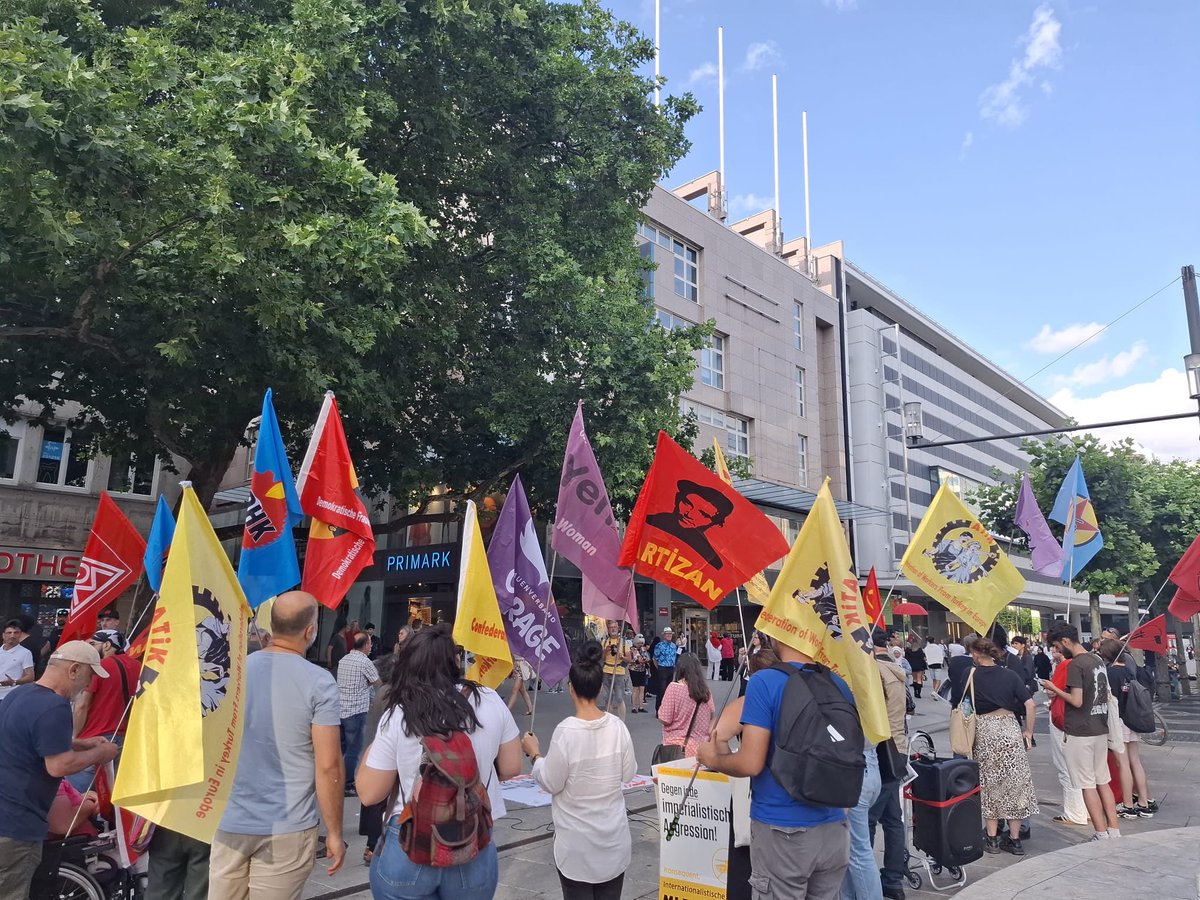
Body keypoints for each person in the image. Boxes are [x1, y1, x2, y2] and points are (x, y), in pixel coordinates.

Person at [357, 625, 521, 899]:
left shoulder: (400, 711)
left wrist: (376, 743)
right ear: (455, 661)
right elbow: (512, 767)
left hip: (409, 844)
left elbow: (369, 792)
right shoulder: (491, 700)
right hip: (473, 843)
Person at [210, 591, 346, 896]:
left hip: (229, 820)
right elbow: (328, 766)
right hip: (288, 827)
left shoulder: (235, 671)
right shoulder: (320, 681)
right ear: (310, 631)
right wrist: (334, 832)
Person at [698, 638, 854, 898]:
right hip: (834, 828)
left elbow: (750, 762)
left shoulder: (765, 681)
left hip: (782, 829)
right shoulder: (837, 682)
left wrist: (712, 759)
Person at [0, 641, 119, 896]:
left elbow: (29, 738)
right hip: (17, 824)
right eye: (88, 676)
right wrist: (101, 753)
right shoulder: (55, 706)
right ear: (74, 670)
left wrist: (81, 743)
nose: (87, 685)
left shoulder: (21, 694)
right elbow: (58, 766)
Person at [521, 641, 636, 900]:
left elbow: (551, 782)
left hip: (577, 848)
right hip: (612, 843)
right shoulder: (617, 727)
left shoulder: (566, 731)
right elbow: (628, 774)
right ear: (599, 687)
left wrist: (535, 754)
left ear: (571, 689)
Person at [1041, 623, 1121, 842]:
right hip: (1099, 727)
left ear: (1065, 642)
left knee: (1087, 784)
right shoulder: (1096, 660)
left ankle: (1101, 832)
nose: (1057, 650)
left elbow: (1076, 700)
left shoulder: (1076, 664)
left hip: (1081, 731)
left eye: (1057, 645)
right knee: (1102, 781)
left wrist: (1055, 689)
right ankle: (1114, 829)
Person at [962, 637, 1038, 855]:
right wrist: (1028, 732)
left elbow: (964, 706)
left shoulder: (971, 676)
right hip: (1009, 728)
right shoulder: (1009, 674)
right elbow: (1030, 704)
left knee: (989, 783)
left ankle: (992, 838)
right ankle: (1015, 841)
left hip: (985, 730)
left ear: (976, 654)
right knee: (1014, 782)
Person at [67, 629, 140, 791]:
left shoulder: (100, 667)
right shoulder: (138, 666)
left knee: (75, 794)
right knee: (108, 792)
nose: (89, 649)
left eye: (93, 644)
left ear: (107, 645)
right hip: (124, 737)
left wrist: (74, 737)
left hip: (93, 737)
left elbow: (82, 705)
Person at [868, 629, 909, 900]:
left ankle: (868, 879)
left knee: (868, 820)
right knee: (893, 819)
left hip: (881, 748)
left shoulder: (873, 672)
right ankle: (893, 879)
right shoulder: (895, 670)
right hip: (898, 747)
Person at [1098, 639, 1157, 818]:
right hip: (1134, 717)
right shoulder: (1133, 670)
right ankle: (1144, 802)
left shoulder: (1108, 673)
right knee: (1135, 761)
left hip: (1118, 720)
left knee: (1122, 763)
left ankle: (1128, 805)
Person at [1044, 644, 1089, 827]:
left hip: (1063, 719)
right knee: (1082, 768)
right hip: (1082, 722)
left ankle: (1074, 812)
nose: (1052, 651)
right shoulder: (1086, 663)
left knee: (1065, 767)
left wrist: (1049, 686)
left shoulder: (1066, 666)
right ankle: (1085, 809)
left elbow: (1052, 690)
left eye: (1054, 647)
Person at [645, 479, 735, 569]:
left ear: (715, 523)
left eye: (703, 514)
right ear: (677, 498)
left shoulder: (710, 559)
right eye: (687, 503)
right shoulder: (645, 525)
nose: (689, 514)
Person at [338, 632, 382, 796]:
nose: (371, 647)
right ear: (364, 645)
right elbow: (378, 682)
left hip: (340, 710)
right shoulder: (365, 662)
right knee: (353, 750)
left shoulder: (343, 660)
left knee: (340, 749)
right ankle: (348, 784)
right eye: (369, 643)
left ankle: (336, 780)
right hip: (356, 711)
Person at [657, 653, 714, 758]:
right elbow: (711, 716)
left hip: (677, 748)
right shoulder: (706, 691)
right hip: (702, 748)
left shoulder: (674, 688)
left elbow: (665, 718)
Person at [599, 620, 631, 720]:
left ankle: (622, 722)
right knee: (607, 698)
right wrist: (605, 651)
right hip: (606, 671)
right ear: (608, 629)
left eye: (615, 627)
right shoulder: (604, 642)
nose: (613, 629)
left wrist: (621, 656)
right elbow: (601, 658)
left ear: (618, 629)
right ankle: (609, 721)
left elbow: (629, 659)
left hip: (619, 671)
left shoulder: (624, 642)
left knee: (619, 698)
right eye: (611, 627)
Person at [0, 619, 35, 702]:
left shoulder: (25, 653)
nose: (12, 635)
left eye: (16, 633)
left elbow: (30, 676)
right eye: (9, 633)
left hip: (10, 696)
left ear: (20, 635)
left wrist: (14, 682)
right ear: (3, 635)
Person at [652, 627, 679, 714]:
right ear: (664, 635)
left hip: (671, 668)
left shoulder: (674, 646)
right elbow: (654, 658)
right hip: (662, 668)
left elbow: (675, 657)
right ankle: (658, 709)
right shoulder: (659, 645)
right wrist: (659, 668)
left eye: (670, 634)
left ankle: (667, 710)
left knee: (669, 690)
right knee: (661, 689)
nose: (669, 636)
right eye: (667, 634)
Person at [629, 635, 650, 713]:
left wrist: (644, 660)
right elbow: (637, 659)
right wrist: (643, 660)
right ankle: (634, 707)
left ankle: (641, 706)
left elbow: (647, 658)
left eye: (641, 643)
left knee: (642, 688)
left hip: (642, 670)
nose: (640, 645)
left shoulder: (643, 649)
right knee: (635, 688)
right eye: (639, 643)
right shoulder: (632, 649)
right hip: (634, 670)